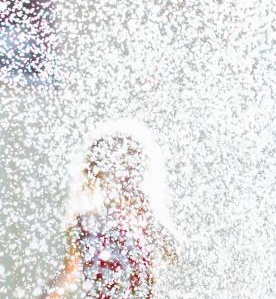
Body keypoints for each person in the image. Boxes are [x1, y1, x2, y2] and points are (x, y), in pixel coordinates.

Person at [44, 120, 179, 298]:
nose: (126, 174)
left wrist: (147, 217)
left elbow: (173, 256)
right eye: (118, 164)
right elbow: (70, 271)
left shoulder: (142, 218)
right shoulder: (83, 223)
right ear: (99, 171)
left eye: (132, 164)